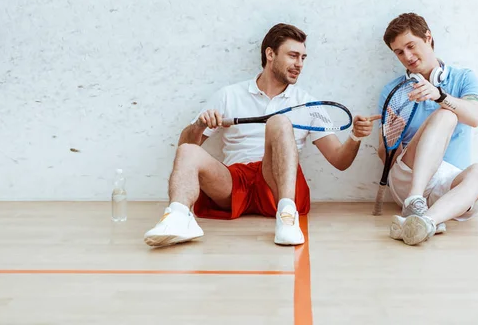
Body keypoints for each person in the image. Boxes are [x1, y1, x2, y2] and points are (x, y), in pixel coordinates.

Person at [144, 23, 378, 247]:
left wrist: (355, 136)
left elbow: (340, 160)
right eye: (293, 55)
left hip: (276, 182)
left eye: (303, 58)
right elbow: (184, 147)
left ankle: (287, 217)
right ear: (270, 54)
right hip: (235, 182)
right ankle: (177, 218)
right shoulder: (228, 95)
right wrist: (198, 126)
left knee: (279, 122)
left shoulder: (309, 103)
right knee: (188, 151)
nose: (299, 64)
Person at [377, 13, 478, 246]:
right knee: (445, 116)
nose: (407, 56)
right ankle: (414, 201)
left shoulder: (463, 78)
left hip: (448, 182)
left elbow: (475, 116)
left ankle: (425, 223)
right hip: (408, 178)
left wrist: (440, 96)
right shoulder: (392, 91)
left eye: (411, 46)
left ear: (428, 38)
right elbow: (384, 155)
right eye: (399, 52)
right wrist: (392, 138)